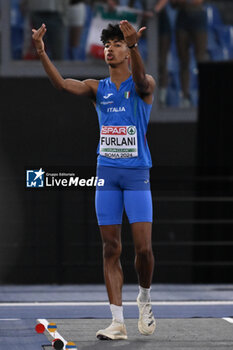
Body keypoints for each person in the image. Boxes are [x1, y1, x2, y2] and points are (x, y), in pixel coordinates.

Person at [32, 19, 156, 340]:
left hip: (136, 176)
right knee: (110, 247)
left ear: (126, 51)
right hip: (107, 176)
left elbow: (143, 82)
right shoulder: (96, 88)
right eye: (106, 45)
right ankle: (117, 321)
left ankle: (143, 297)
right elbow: (61, 84)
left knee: (143, 250)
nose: (109, 50)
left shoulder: (143, 84)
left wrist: (135, 47)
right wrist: (42, 52)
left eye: (116, 44)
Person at [170, 0, 207, 107]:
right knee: (184, 61)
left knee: (201, 60)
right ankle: (185, 96)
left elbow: (198, 1)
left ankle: (203, 94)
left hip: (199, 18)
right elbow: (173, 4)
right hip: (182, 19)